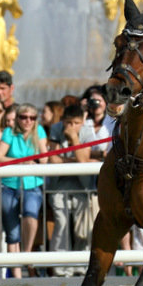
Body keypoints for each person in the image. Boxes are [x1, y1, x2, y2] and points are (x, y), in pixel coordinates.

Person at [0, 103, 48, 277]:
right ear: (17, 118)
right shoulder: (9, 132)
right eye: (24, 117)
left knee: (30, 216)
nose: (28, 121)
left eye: (32, 118)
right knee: (12, 232)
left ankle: (27, 253)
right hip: (10, 185)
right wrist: (22, 161)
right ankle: (16, 277)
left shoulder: (39, 131)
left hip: (32, 185)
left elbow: (44, 159)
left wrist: (31, 161)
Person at [46, 103, 94, 276]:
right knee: (61, 222)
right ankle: (60, 267)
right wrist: (76, 159)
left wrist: (74, 139)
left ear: (82, 121)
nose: (71, 127)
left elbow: (83, 161)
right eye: (68, 123)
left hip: (83, 184)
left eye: (75, 123)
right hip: (60, 184)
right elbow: (53, 160)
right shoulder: (56, 128)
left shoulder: (88, 131)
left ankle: (81, 267)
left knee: (83, 225)